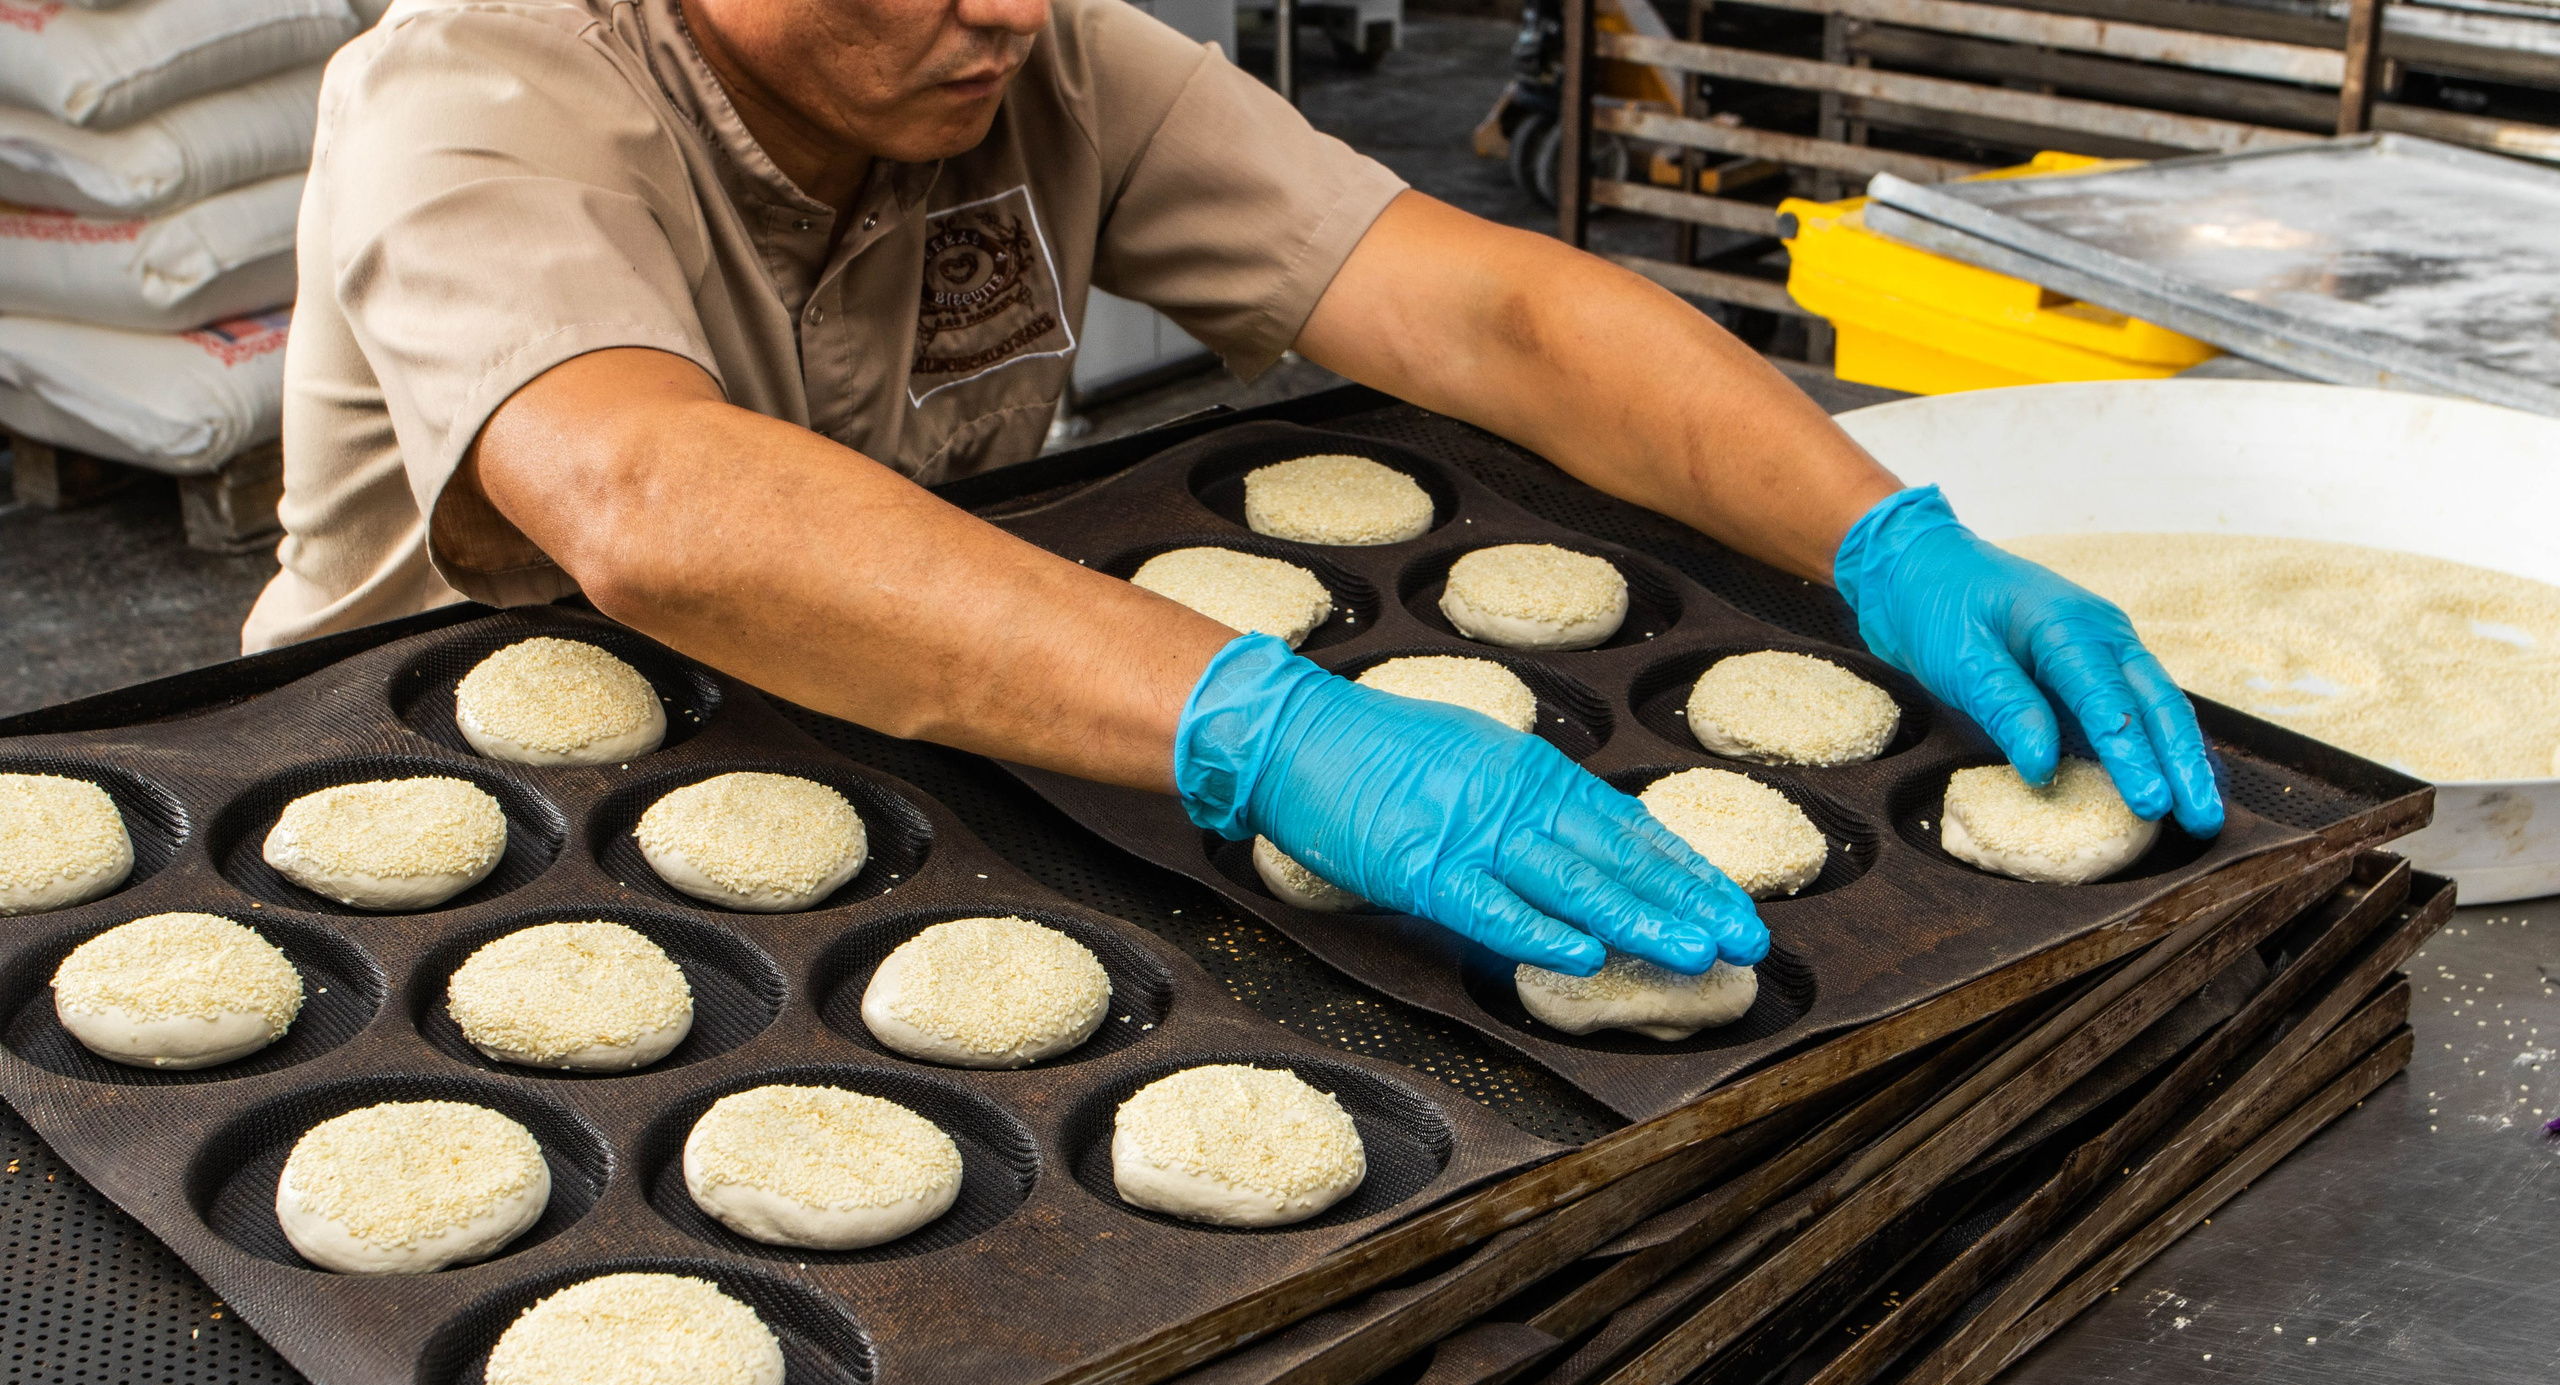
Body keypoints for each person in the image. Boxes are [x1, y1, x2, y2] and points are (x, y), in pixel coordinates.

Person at [246, 0, 2223, 980]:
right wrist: (1248, 714)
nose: (1002, 12)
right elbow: (644, 500)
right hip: (474, 841)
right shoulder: (475, 90)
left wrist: (1874, 526)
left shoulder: (1039, 59)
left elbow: (1491, 315)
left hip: (919, 770)